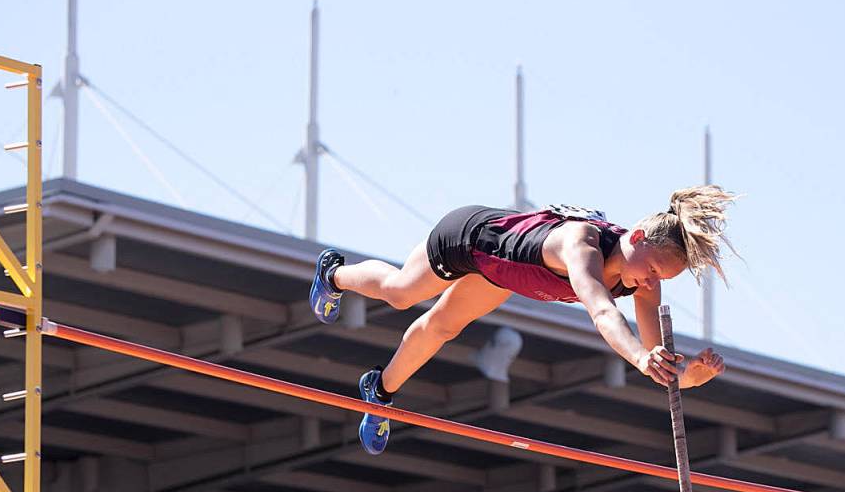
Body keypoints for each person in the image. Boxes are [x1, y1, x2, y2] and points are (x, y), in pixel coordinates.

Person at [309, 185, 736, 455]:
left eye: (662, 279)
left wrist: (688, 372)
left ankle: (378, 392)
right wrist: (643, 359)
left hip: (503, 275)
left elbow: (659, 367)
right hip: (470, 240)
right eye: (655, 271)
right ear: (637, 238)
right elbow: (602, 311)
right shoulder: (581, 246)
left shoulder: (641, 280)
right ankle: (333, 274)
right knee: (402, 293)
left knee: (442, 326)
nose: (651, 282)